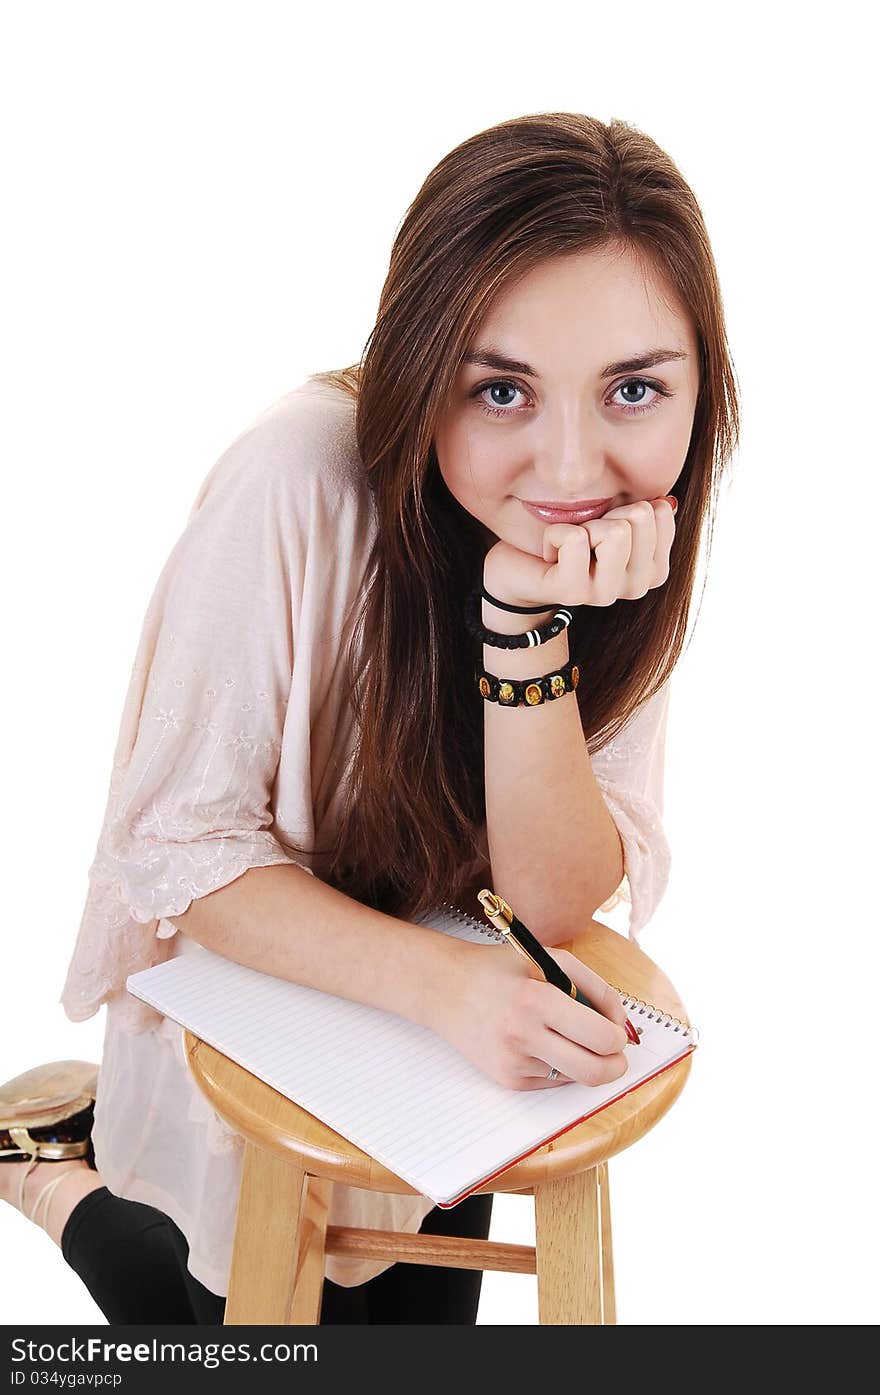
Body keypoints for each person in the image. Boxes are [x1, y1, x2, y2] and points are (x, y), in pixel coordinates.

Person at [0, 110, 739, 1324]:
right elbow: (178, 856)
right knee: (194, 1318)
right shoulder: (293, 480)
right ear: (417, 368)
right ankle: (50, 1176)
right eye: (501, 389)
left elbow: (550, 897)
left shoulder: (621, 540)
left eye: (633, 390)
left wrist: (523, 628)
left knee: (399, 1319)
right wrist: (445, 992)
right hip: (277, 1020)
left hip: (449, 1055)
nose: (570, 469)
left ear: (698, 389)